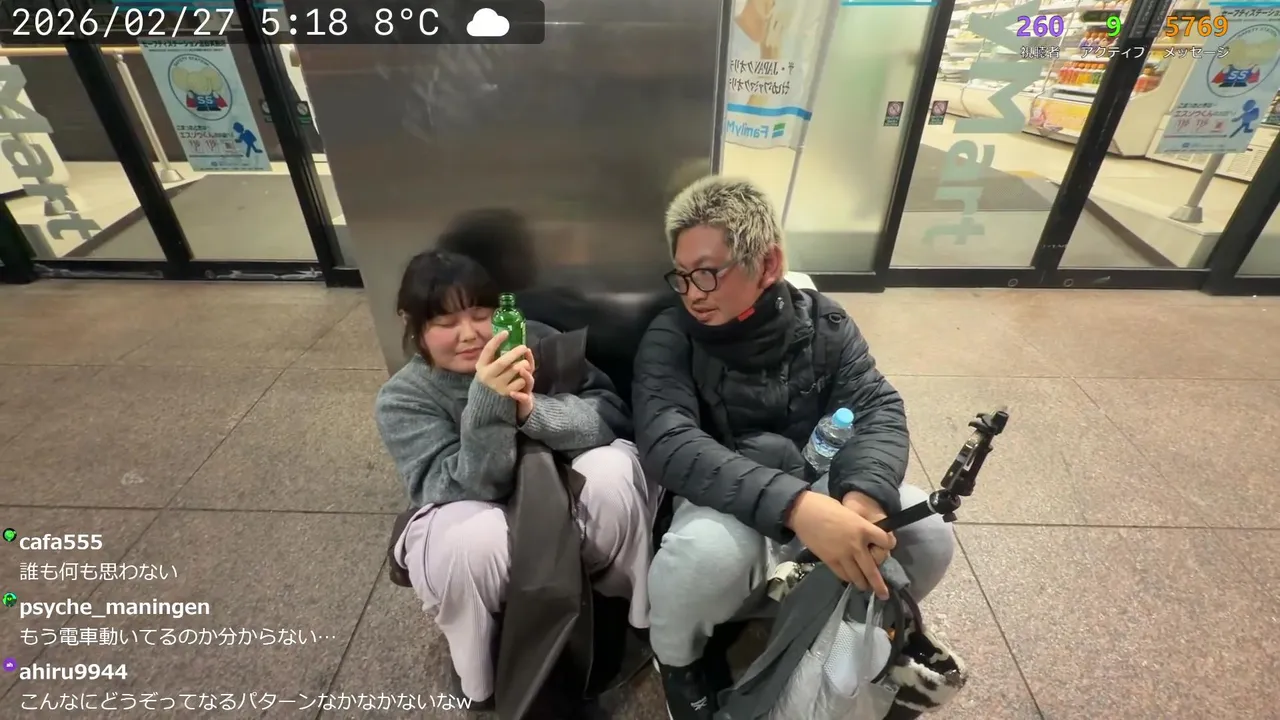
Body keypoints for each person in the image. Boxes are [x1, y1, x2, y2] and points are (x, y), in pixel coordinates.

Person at [634, 176, 956, 720]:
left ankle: (844, 622)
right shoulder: (671, 335)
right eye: (682, 276)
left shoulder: (826, 324)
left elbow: (877, 407)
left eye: (708, 273)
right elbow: (669, 441)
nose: (692, 293)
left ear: (768, 264)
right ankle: (680, 665)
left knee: (926, 531)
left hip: (825, 477)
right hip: (727, 492)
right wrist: (798, 508)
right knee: (700, 560)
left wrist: (863, 500)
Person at [376, 249, 658, 709]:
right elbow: (454, 486)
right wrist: (489, 404)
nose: (469, 334)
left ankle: (627, 617)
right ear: (412, 323)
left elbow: (610, 417)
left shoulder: (538, 342)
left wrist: (531, 410)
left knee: (615, 471)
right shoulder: (404, 397)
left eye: (480, 314)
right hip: (483, 522)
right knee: (471, 539)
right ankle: (482, 675)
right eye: (445, 322)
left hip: (564, 503)